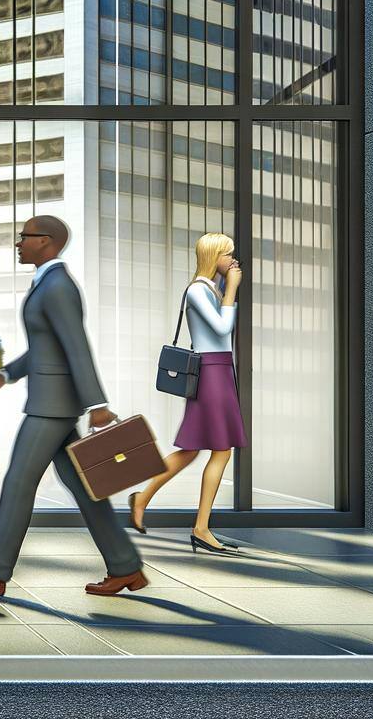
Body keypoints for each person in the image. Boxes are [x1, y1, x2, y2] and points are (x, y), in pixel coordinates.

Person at [0, 216, 148, 598]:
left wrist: (97, 403)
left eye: (25, 237)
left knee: (19, 482)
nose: (19, 243)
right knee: (86, 488)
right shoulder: (47, 284)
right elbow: (45, 347)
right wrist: (7, 373)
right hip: (54, 402)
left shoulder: (57, 286)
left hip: (52, 407)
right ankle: (126, 567)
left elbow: (76, 344)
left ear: (48, 242)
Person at [129, 233, 249, 554]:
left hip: (220, 369)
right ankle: (201, 528)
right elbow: (222, 329)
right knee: (220, 449)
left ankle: (144, 499)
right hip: (212, 371)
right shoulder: (198, 290)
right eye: (228, 254)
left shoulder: (211, 289)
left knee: (193, 449)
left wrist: (227, 291)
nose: (233, 261)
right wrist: (233, 289)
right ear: (213, 256)